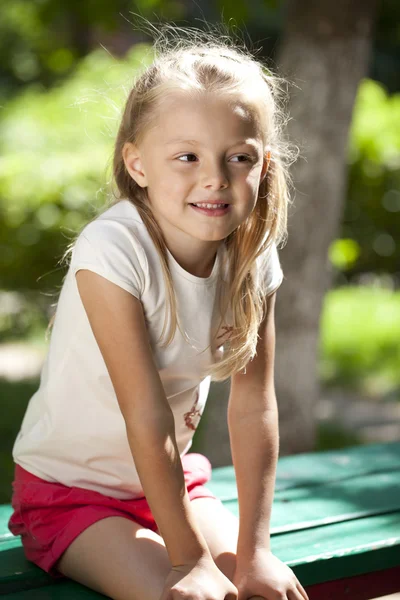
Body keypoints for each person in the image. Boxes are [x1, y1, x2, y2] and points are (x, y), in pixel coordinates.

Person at [8, 22, 308, 600]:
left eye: (238, 157)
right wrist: (189, 559)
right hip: (71, 494)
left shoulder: (250, 253)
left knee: (258, 590)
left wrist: (258, 552)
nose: (214, 178)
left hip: (174, 487)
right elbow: (144, 416)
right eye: (187, 156)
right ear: (138, 165)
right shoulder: (113, 249)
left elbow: (252, 406)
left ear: (263, 164)